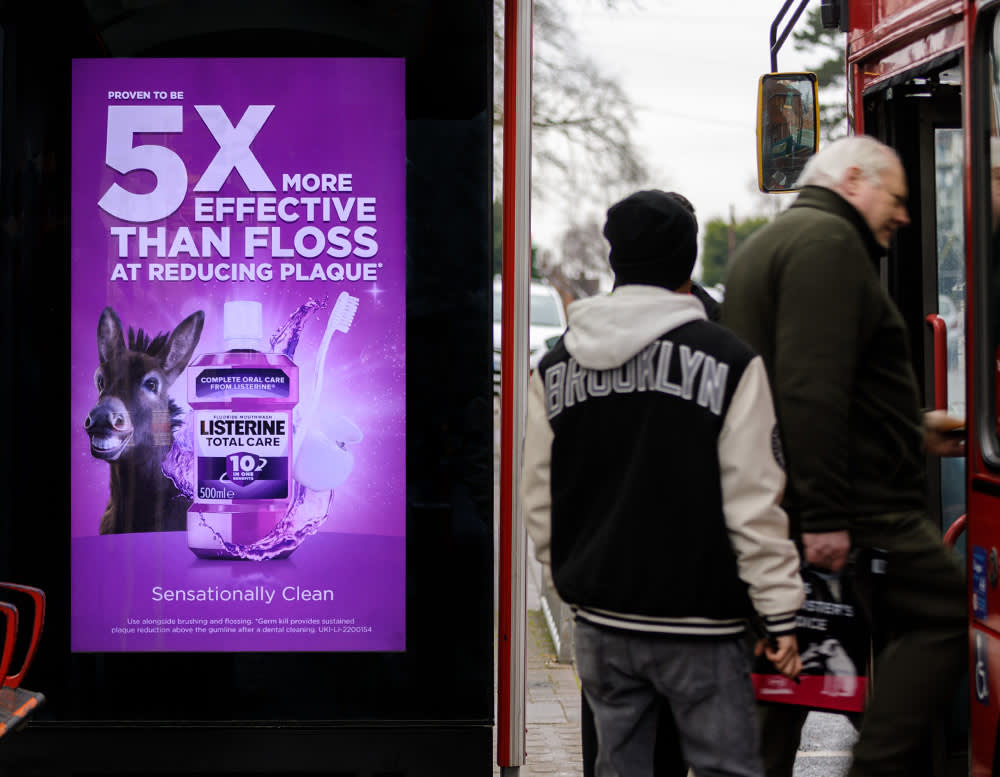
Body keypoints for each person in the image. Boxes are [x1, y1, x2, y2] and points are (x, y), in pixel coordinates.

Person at [522, 188, 805, 777]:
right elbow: (754, 503)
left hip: (602, 620)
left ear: (614, 259)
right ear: (688, 262)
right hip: (702, 624)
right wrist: (779, 614)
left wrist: (570, 581)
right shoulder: (730, 362)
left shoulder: (556, 366)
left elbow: (539, 497)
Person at [720, 135, 968, 777]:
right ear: (853, 178)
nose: (905, 216)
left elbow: (812, 387)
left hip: (783, 500)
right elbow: (810, 385)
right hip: (855, 507)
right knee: (942, 604)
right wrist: (826, 514)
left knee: (787, 672)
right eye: (899, 198)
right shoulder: (828, 247)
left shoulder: (772, 244)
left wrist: (912, 431)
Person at [578, 190, 717, 777]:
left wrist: (570, 566)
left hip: (608, 593)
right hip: (694, 598)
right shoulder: (724, 345)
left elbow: (545, 483)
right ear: (687, 257)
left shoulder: (580, 345)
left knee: (618, 749)